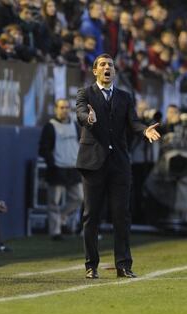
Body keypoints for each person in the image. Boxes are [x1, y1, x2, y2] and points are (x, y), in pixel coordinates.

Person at [75, 53, 161, 279]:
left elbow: (132, 122)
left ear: (114, 71)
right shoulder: (85, 93)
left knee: (121, 216)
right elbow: (81, 113)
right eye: (102, 65)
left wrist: (144, 130)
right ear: (95, 71)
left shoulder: (124, 96)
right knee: (91, 216)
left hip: (119, 164)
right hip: (93, 163)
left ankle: (123, 265)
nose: (107, 68)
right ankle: (91, 265)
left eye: (110, 65)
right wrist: (89, 119)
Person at [38, 99, 83, 240]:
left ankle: (61, 217)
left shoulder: (75, 126)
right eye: (61, 107)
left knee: (79, 198)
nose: (64, 110)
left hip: (73, 168)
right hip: (57, 168)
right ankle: (55, 232)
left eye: (67, 107)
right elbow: (43, 149)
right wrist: (52, 163)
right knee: (54, 202)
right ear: (56, 109)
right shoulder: (50, 126)